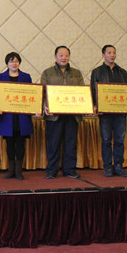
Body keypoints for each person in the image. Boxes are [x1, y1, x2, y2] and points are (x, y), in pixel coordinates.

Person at [40, 46, 84, 179]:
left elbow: (83, 92)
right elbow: (42, 93)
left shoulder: (77, 73)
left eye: (66, 55)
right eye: (61, 55)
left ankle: (69, 169)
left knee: (71, 143)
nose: (64, 58)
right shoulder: (47, 73)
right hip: (54, 115)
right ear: (55, 57)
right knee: (53, 143)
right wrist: (45, 106)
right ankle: (51, 170)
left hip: (72, 115)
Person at [90, 45, 127, 178]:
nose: (112, 55)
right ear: (103, 55)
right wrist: (95, 105)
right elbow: (93, 90)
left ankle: (118, 166)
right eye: (109, 52)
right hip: (104, 112)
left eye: (114, 52)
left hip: (120, 112)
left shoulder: (122, 72)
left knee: (119, 140)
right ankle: (107, 166)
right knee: (106, 139)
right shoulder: (97, 71)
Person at [0, 52, 33, 180]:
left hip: (22, 116)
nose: (14, 64)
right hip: (7, 117)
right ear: (7, 63)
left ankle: (18, 171)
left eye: (16, 61)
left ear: (19, 63)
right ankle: (11, 170)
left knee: (20, 143)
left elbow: (32, 95)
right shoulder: (0, 77)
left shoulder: (26, 77)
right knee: (10, 144)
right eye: (11, 61)